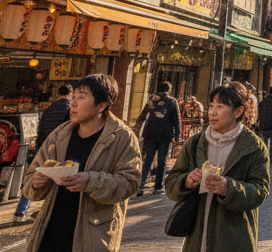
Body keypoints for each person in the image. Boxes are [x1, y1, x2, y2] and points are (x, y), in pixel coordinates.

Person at [23, 74, 141, 252]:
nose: (74, 103)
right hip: (51, 230)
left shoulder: (121, 137)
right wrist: (36, 183)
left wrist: (91, 181)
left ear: (101, 106)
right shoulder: (60, 134)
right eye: (73, 97)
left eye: (81, 97)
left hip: (92, 235)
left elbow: (130, 183)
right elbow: (30, 178)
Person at [165, 82, 270, 252]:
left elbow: (260, 190)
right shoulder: (195, 143)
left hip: (234, 237)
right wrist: (186, 181)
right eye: (211, 105)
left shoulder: (254, 147)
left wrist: (229, 188)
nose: (212, 112)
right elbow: (171, 184)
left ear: (238, 111)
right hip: (196, 237)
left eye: (220, 106)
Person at [15, 84, 72, 221]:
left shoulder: (49, 109)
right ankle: (51, 213)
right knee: (59, 182)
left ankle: (20, 212)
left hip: (45, 149)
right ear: (71, 94)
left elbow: (40, 130)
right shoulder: (70, 109)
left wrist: (40, 148)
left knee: (36, 178)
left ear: (58, 93)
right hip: (60, 150)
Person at [135, 81, 181, 196]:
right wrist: (177, 135)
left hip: (151, 134)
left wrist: (138, 128)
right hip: (165, 135)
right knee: (162, 161)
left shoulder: (152, 100)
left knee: (147, 160)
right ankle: (157, 187)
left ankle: (140, 186)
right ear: (169, 90)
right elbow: (176, 120)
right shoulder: (172, 101)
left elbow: (142, 116)